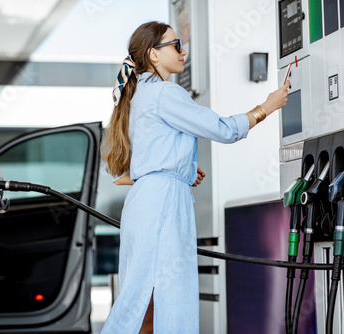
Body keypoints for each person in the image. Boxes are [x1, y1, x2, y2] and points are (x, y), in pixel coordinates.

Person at [100, 21, 289, 334]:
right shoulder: (164, 93)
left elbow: (129, 173)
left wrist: (183, 171)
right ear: (153, 55)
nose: (183, 51)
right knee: (168, 299)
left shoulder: (137, 97)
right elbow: (223, 129)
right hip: (162, 207)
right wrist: (266, 107)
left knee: (137, 300)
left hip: (144, 205)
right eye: (175, 45)